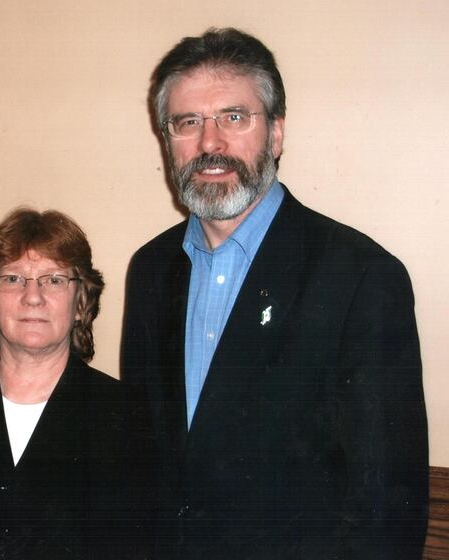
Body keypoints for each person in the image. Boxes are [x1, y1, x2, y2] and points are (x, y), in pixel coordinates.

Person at [121, 28, 428, 559]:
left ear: (277, 133)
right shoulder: (149, 269)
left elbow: (387, 510)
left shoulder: (362, 278)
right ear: (166, 138)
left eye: (234, 118)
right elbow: (144, 462)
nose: (210, 143)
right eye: (187, 122)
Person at [0, 208, 154, 559]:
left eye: (54, 280)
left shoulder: (130, 418)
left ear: (81, 302)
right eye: (12, 279)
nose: (32, 296)